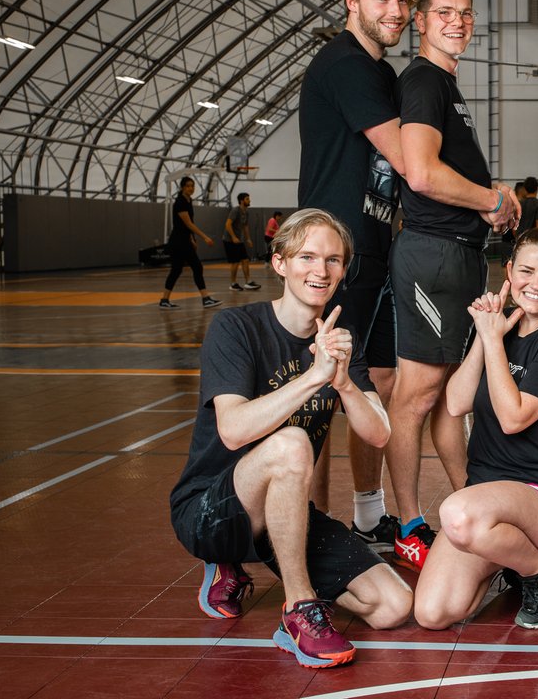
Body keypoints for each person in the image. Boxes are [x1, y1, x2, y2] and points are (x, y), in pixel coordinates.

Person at [168, 209, 413, 668]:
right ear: (280, 263)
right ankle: (298, 608)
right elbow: (234, 428)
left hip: (285, 510)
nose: (320, 271)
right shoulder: (236, 329)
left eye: (334, 260)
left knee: (392, 606)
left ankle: (267, 564)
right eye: (307, 257)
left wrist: (340, 380)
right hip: (210, 510)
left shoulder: (341, 341)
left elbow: (378, 433)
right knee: (292, 443)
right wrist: (312, 377)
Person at [387, 0, 520, 570]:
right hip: (433, 258)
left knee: (446, 402)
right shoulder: (423, 81)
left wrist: (488, 197)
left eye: (465, 13)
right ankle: (408, 523)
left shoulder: (445, 85)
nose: (457, 22)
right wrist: (490, 200)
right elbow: (420, 174)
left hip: (458, 257)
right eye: (444, 12)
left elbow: (445, 172)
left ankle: (473, 497)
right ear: (420, 20)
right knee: (416, 397)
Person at [298, 0, 414, 550]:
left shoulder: (382, 75)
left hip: (374, 250)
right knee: (322, 390)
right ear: (351, 1)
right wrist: (485, 197)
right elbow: (407, 160)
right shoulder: (343, 63)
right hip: (332, 256)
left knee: (379, 388)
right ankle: (313, 528)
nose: (395, 10)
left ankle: (368, 518)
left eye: (402, 0)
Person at [416, 230, 538, 630]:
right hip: (488, 496)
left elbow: (513, 418)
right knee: (432, 613)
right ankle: (507, 556)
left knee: (458, 514)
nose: (537, 284)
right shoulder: (497, 331)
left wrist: (494, 341)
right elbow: (457, 402)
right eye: (527, 271)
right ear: (509, 271)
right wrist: (485, 336)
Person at [159, 176, 222, 310]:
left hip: (184, 241)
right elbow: (188, 224)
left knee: (177, 270)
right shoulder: (180, 202)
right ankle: (205, 299)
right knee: (195, 267)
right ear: (182, 187)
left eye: (192, 186)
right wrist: (204, 237)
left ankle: (164, 300)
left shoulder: (188, 200)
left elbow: (186, 226)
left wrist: (192, 239)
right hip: (178, 242)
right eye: (188, 186)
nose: (191, 188)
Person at [224, 192, 261, 290]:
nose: (249, 201)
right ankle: (233, 283)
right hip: (229, 240)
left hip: (239, 241)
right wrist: (233, 237)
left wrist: (248, 238)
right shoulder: (236, 211)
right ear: (241, 201)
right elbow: (228, 224)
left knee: (245, 260)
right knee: (235, 262)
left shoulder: (246, 212)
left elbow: (245, 226)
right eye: (247, 199)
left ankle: (248, 282)